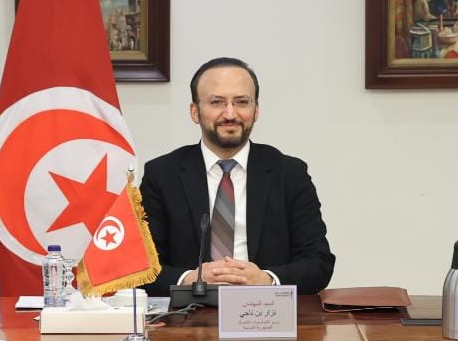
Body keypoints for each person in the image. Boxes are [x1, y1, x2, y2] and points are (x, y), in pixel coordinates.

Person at [140, 58, 334, 296]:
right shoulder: (162, 175)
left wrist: (267, 280)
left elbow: (318, 262)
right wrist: (192, 279)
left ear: (256, 110)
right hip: (189, 311)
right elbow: (141, 267)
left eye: (242, 102)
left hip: (265, 309)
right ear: (195, 111)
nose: (230, 114)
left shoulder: (289, 173)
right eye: (217, 102)